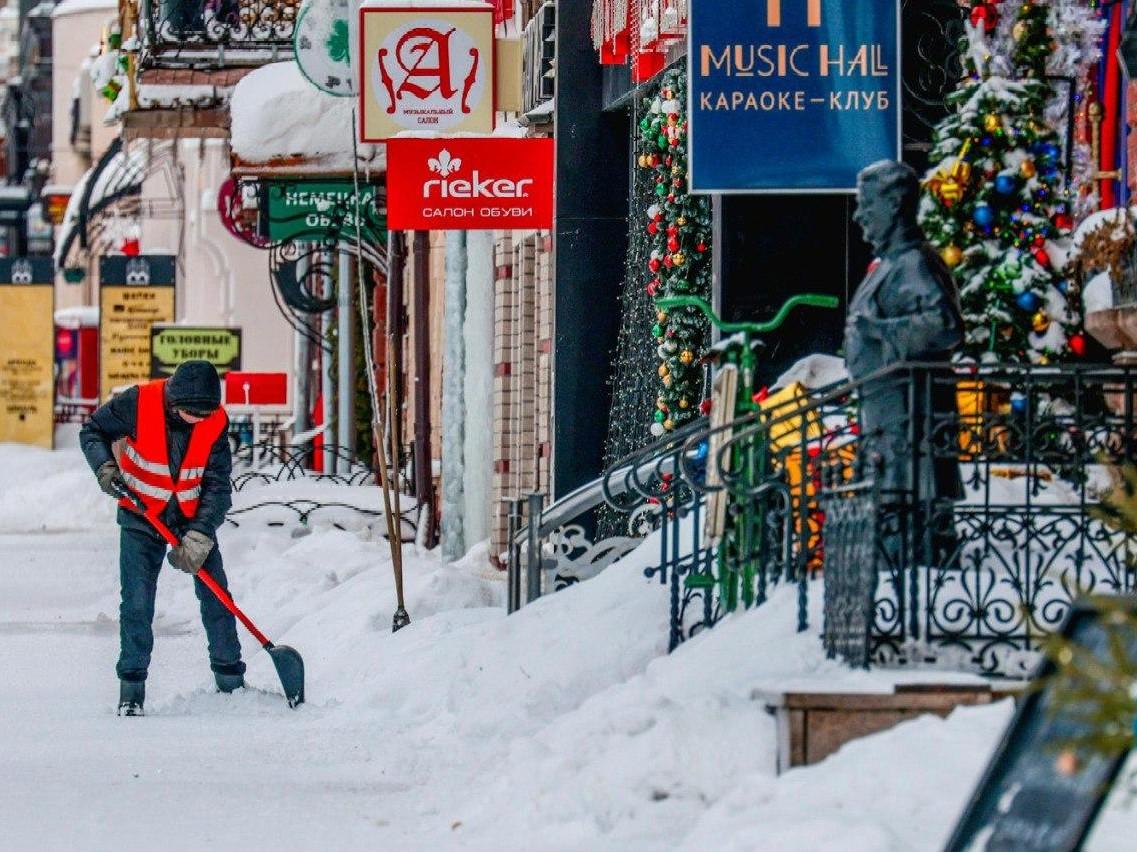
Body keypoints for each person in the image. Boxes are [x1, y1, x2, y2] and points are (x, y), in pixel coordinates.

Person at [80, 360, 244, 716]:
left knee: (217, 598)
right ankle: (132, 689)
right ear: (173, 402)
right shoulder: (137, 402)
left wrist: (201, 533)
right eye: (190, 413)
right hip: (142, 516)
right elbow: (92, 431)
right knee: (137, 603)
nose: (197, 420)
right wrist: (106, 469)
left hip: (190, 518)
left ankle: (231, 681)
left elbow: (218, 483)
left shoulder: (215, 420)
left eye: (203, 414)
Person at [844, 159, 965, 503]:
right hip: (890, 420)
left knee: (910, 512)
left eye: (867, 204)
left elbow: (945, 325)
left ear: (894, 204)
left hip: (910, 423)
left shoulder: (912, 262)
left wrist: (879, 331)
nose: (859, 216)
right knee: (893, 511)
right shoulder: (895, 262)